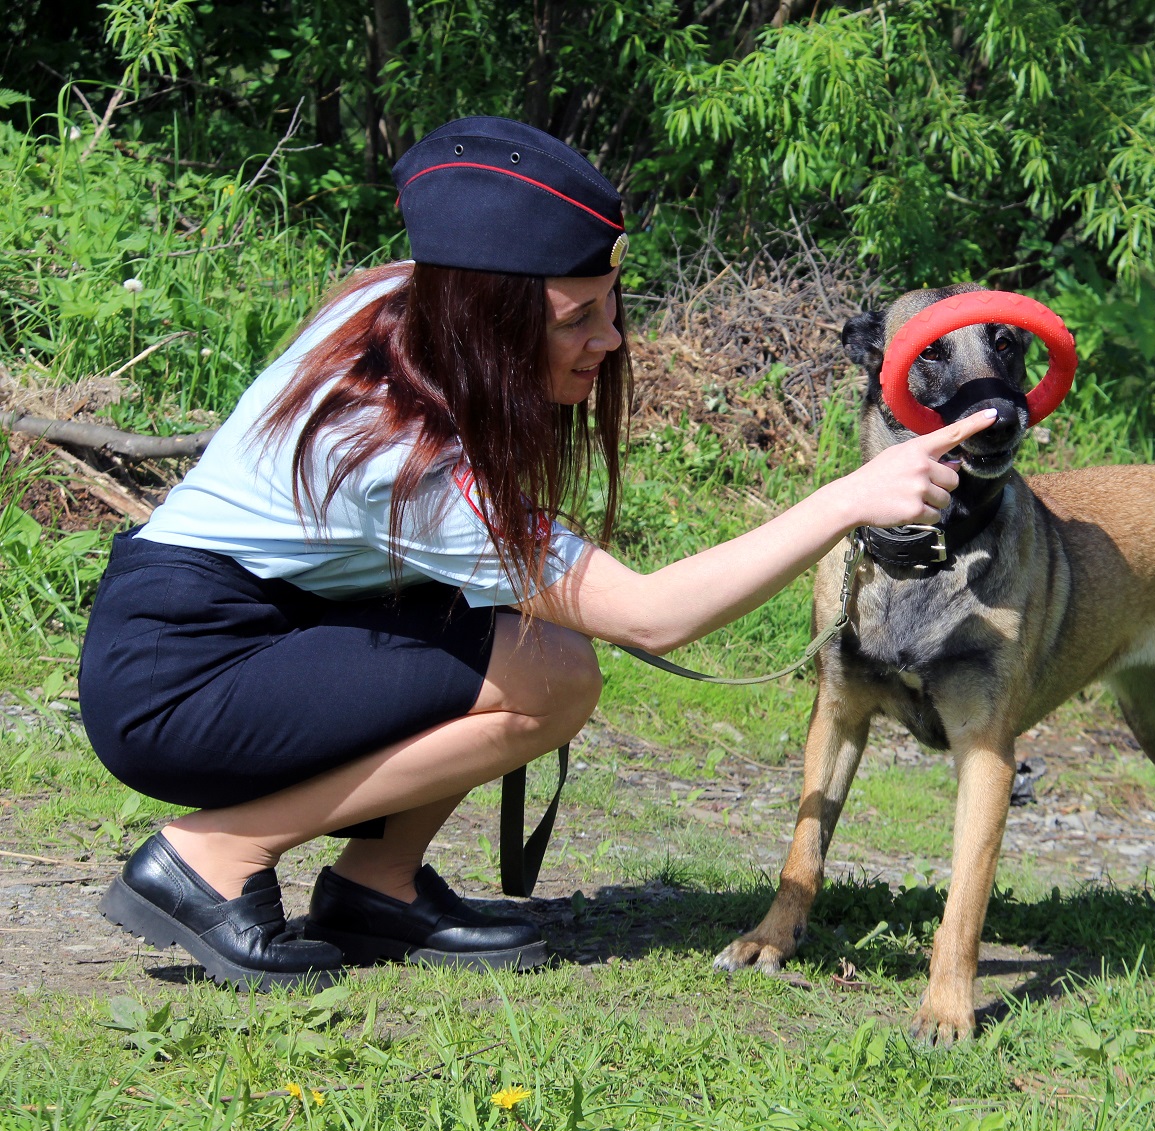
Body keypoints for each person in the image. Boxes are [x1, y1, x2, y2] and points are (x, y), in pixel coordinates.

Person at [80, 116, 995, 989]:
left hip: (250, 627)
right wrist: (847, 500)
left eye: (608, 306)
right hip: (180, 675)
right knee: (550, 675)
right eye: (575, 319)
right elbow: (653, 615)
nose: (611, 338)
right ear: (487, 319)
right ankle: (214, 857)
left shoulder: (403, 304)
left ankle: (376, 889)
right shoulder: (399, 451)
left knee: (544, 653)